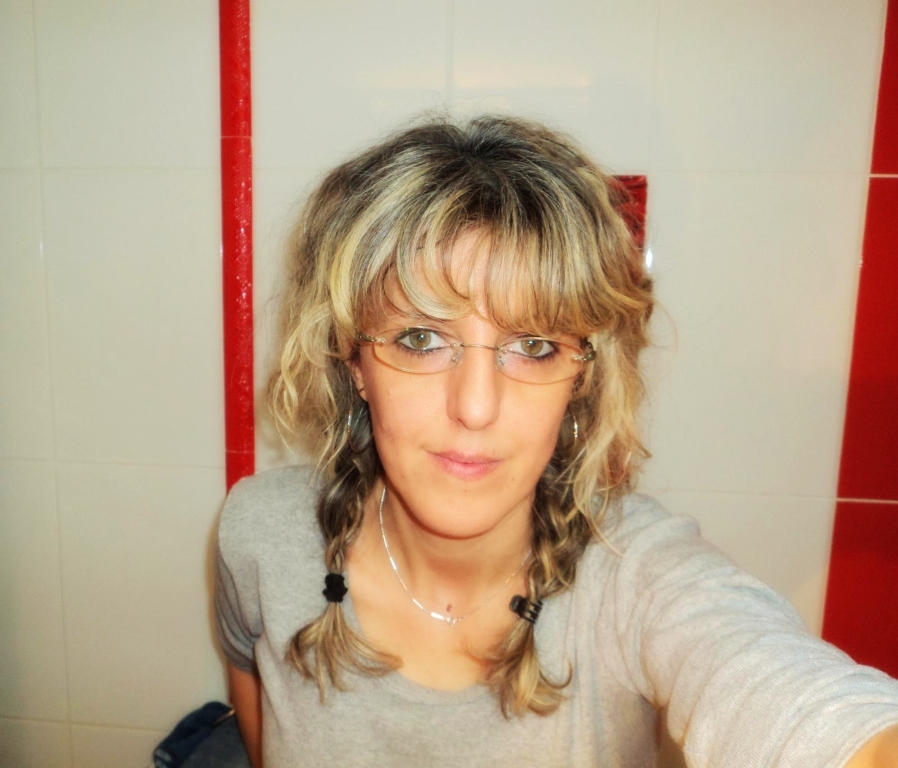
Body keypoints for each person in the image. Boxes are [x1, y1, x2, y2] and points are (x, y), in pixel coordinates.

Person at [214, 115, 898, 767]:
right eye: (421, 339)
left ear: (581, 376)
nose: (475, 407)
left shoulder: (632, 576)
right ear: (354, 361)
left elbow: (777, 688)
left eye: (534, 346)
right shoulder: (262, 538)